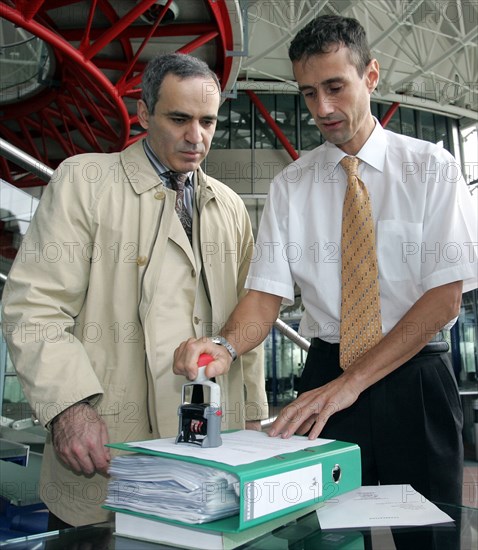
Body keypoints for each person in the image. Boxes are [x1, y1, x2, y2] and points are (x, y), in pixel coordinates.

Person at [173, 15, 478, 510]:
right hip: (324, 376)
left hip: (414, 378)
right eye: (309, 93)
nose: (323, 108)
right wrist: (226, 346)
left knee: (429, 531)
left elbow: (443, 301)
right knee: (324, 532)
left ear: (371, 76)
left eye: (335, 86)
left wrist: (351, 384)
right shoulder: (291, 185)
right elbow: (265, 297)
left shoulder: (431, 169)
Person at [1, 53, 268, 528]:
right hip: (108, 454)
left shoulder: (229, 207)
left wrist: (252, 419)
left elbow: (244, 326)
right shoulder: (83, 182)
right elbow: (35, 309)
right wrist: (68, 408)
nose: (196, 137)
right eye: (179, 119)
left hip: (213, 458)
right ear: (144, 114)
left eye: (208, 121)